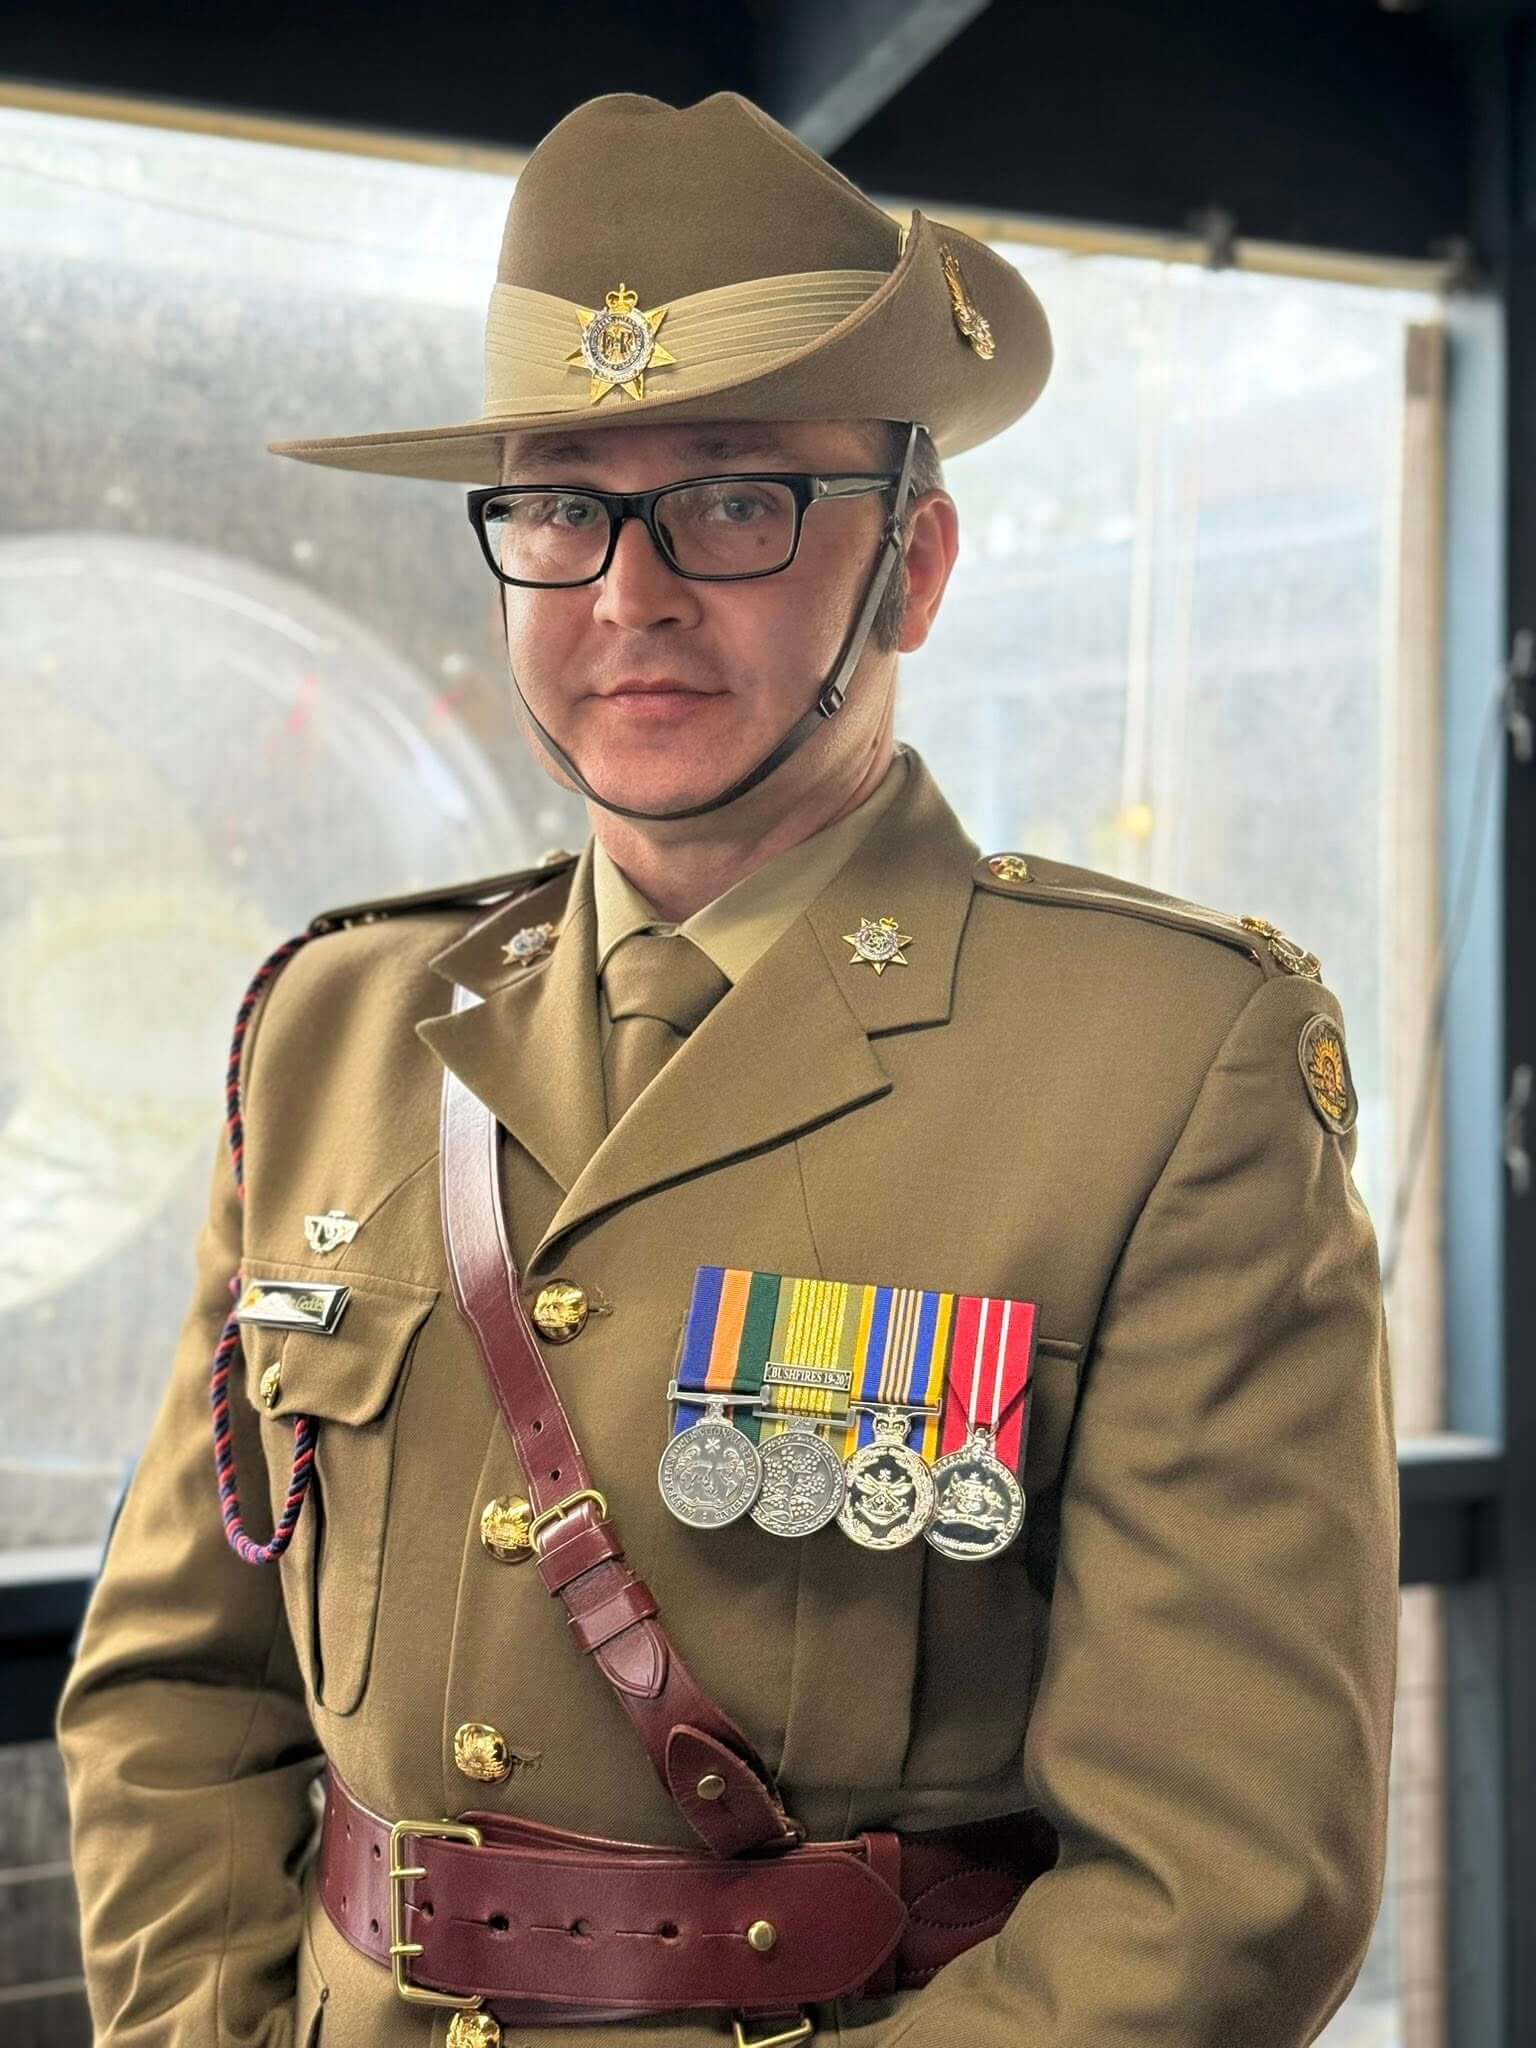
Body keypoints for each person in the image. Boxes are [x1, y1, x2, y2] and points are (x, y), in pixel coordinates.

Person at [56, 87, 1399, 2048]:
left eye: (736, 500)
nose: (629, 593)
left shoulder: (1162, 1071)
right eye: (557, 507)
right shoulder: (339, 1025)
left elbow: (1224, 1884)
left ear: (912, 568)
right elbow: (178, 1689)